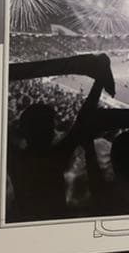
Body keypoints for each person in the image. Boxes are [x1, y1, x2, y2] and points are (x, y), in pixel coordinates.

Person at [7, 54, 115, 221]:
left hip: (24, 220)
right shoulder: (58, 155)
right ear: (52, 129)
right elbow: (84, 117)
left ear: (22, 129)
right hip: (56, 219)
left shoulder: (12, 157)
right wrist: (100, 79)